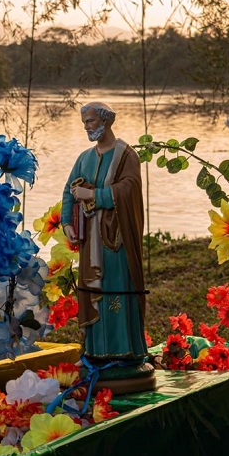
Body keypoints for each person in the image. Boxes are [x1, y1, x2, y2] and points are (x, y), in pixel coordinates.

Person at [61, 102, 148, 368]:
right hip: (90, 239)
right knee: (93, 290)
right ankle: (96, 351)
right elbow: (68, 190)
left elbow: (129, 189)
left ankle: (125, 352)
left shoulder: (126, 155)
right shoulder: (84, 158)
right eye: (84, 123)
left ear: (106, 121)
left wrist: (94, 195)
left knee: (116, 288)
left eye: (90, 121)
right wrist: (67, 223)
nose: (86, 127)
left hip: (116, 240)